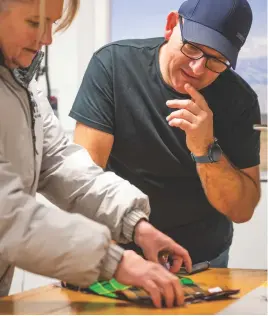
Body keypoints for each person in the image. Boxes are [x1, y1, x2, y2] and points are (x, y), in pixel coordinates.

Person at [0, 0, 193, 308]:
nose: (48, 39)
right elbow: (6, 216)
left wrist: (135, 223)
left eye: (52, 24)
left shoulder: (19, 83)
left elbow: (61, 162)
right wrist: (113, 261)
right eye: (35, 24)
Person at [70, 0, 261, 268]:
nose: (197, 69)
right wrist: (112, 257)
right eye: (192, 47)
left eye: (216, 60)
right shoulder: (114, 66)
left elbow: (241, 211)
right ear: (171, 25)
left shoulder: (239, 100)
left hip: (202, 261)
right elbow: (84, 181)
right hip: (119, 255)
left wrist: (205, 149)